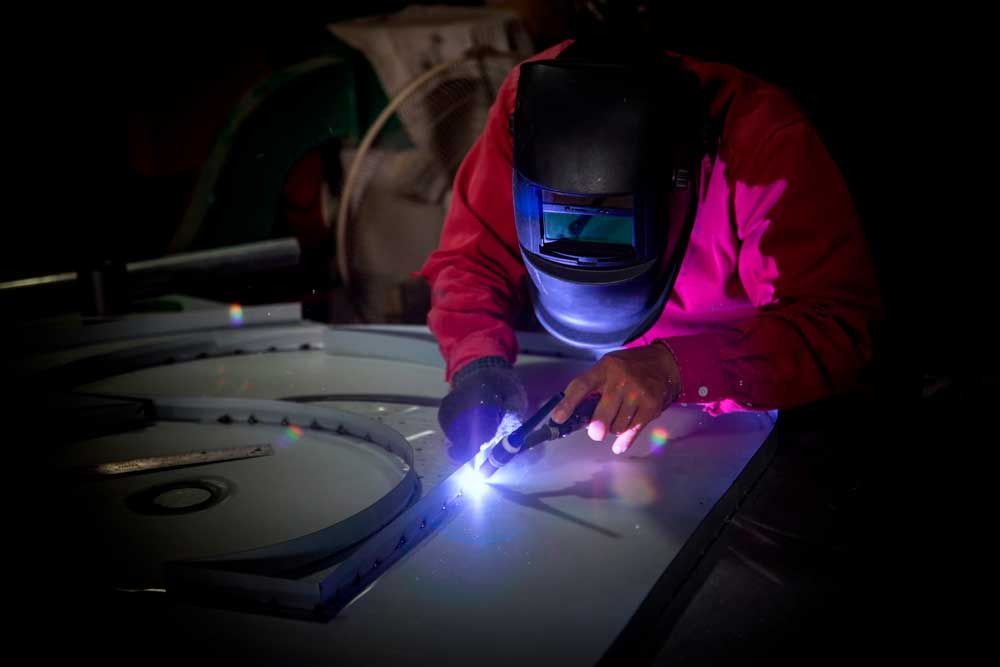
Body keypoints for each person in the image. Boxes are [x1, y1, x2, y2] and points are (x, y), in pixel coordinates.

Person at [419, 38, 881, 460]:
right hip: (577, 374)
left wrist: (676, 368)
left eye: (611, 213)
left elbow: (836, 326)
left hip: (731, 399)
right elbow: (473, 257)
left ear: (678, 176)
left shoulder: (762, 141)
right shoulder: (529, 103)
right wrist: (478, 362)